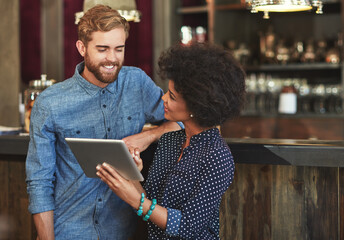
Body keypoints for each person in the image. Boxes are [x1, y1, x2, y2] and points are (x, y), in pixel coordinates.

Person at [25, 5, 181, 240]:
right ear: (81, 48)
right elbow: (39, 182)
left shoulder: (136, 83)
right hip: (70, 229)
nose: (112, 58)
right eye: (102, 49)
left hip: (123, 230)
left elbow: (186, 121)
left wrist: (148, 136)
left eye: (119, 49)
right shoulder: (50, 103)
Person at [96, 42, 246, 239]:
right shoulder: (170, 141)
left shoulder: (217, 156)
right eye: (167, 91)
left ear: (197, 106)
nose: (164, 99)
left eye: (172, 97)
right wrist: (131, 175)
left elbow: (189, 227)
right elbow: (152, 205)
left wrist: (136, 201)